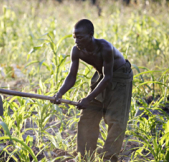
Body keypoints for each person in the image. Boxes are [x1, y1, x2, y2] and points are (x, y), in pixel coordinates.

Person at [51, 19, 133, 161]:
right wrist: (59, 93)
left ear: (90, 35)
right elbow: (72, 76)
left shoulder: (105, 48)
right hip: (103, 75)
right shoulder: (76, 50)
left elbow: (109, 78)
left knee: (116, 119)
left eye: (80, 37)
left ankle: (109, 157)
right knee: (88, 114)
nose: (76, 41)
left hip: (120, 76)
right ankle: (84, 155)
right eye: (74, 37)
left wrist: (87, 98)